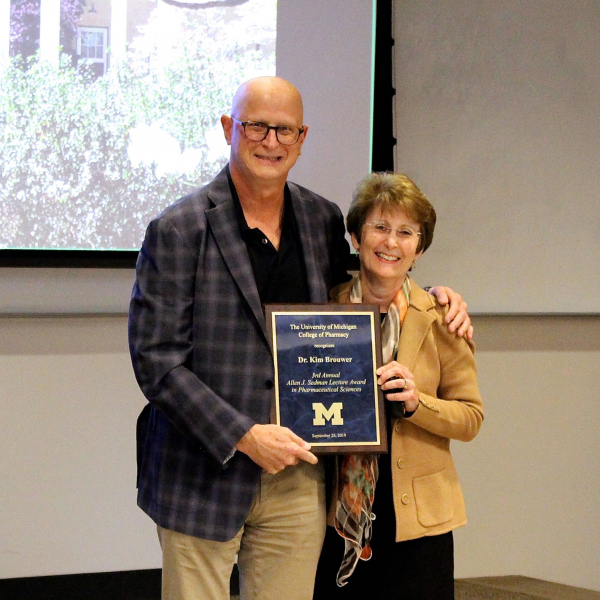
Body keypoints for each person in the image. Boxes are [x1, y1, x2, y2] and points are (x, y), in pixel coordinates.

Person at [129, 77, 472, 600]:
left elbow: (358, 300)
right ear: (229, 129)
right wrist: (244, 435)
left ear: (302, 137)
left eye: (284, 130)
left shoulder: (320, 219)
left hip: (299, 475)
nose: (271, 141)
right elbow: (157, 361)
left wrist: (438, 296)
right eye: (256, 126)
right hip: (202, 470)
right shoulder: (178, 229)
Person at [313, 173, 484, 600]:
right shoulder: (321, 311)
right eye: (380, 228)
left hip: (417, 523)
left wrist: (416, 404)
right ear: (356, 236)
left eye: (406, 232)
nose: (391, 242)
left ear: (420, 248)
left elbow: (470, 418)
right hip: (339, 515)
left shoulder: (441, 316)